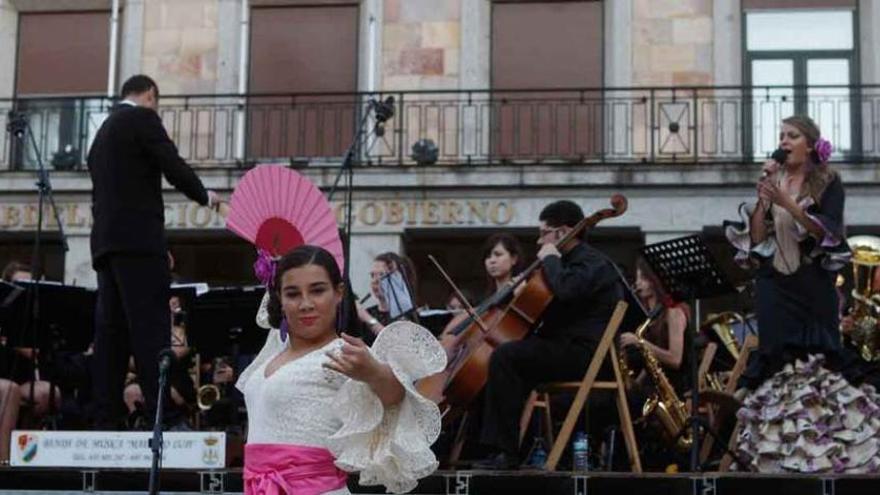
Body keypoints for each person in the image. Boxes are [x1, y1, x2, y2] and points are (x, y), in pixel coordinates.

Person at [725, 115, 880, 473]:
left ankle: (825, 455)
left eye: (791, 135)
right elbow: (758, 240)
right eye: (781, 135)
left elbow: (826, 233)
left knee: (819, 365)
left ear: (809, 144)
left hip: (812, 286)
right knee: (776, 367)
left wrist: (788, 201)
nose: (784, 141)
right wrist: (763, 198)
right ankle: (777, 457)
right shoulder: (773, 178)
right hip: (774, 285)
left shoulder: (827, 181)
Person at [237, 245, 445, 494]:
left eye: (317, 290)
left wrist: (374, 373)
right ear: (280, 299)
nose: (305, 304)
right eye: (293, 294)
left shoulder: (345, 354)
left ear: (338, 293)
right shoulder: (273, 352)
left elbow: (396, 397)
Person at [87, 74, 220, 429]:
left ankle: (106, 420)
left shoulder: (101, 134)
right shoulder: (142, 118)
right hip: (139, 242)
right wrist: (205, 196)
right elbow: (171, 163)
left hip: (106, 245)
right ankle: (164, 416)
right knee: (150, 331)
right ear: (149, 95)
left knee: (111, 336)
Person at [476, 200, 624, 469]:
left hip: (586, 355)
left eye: (544, 232)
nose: (538, 240)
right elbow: (549, 313)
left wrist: (552, 259)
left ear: (562, 232)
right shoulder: (560, 265)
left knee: (506, 357)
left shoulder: (594, 264)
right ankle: (500, 449)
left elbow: (567, 290)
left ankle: (507, 454)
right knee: (501, 358)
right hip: (562, 349)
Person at [618, 258, 690, 394]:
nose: (637, 283)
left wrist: (639, 342)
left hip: (675, 389)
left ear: (656, 281)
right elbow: (652, 362)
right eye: (637, 278)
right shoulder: (650, 316)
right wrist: (634, 385)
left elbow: (675, 359)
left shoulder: (674, 312)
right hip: (654, 387)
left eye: (643, 278)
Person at [355, 252, 419, 343]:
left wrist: (368, 319)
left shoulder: (407, 314)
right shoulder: (367, 313)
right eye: (372, 275)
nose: (375, 281)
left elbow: (397, 345)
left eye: (382, 275)